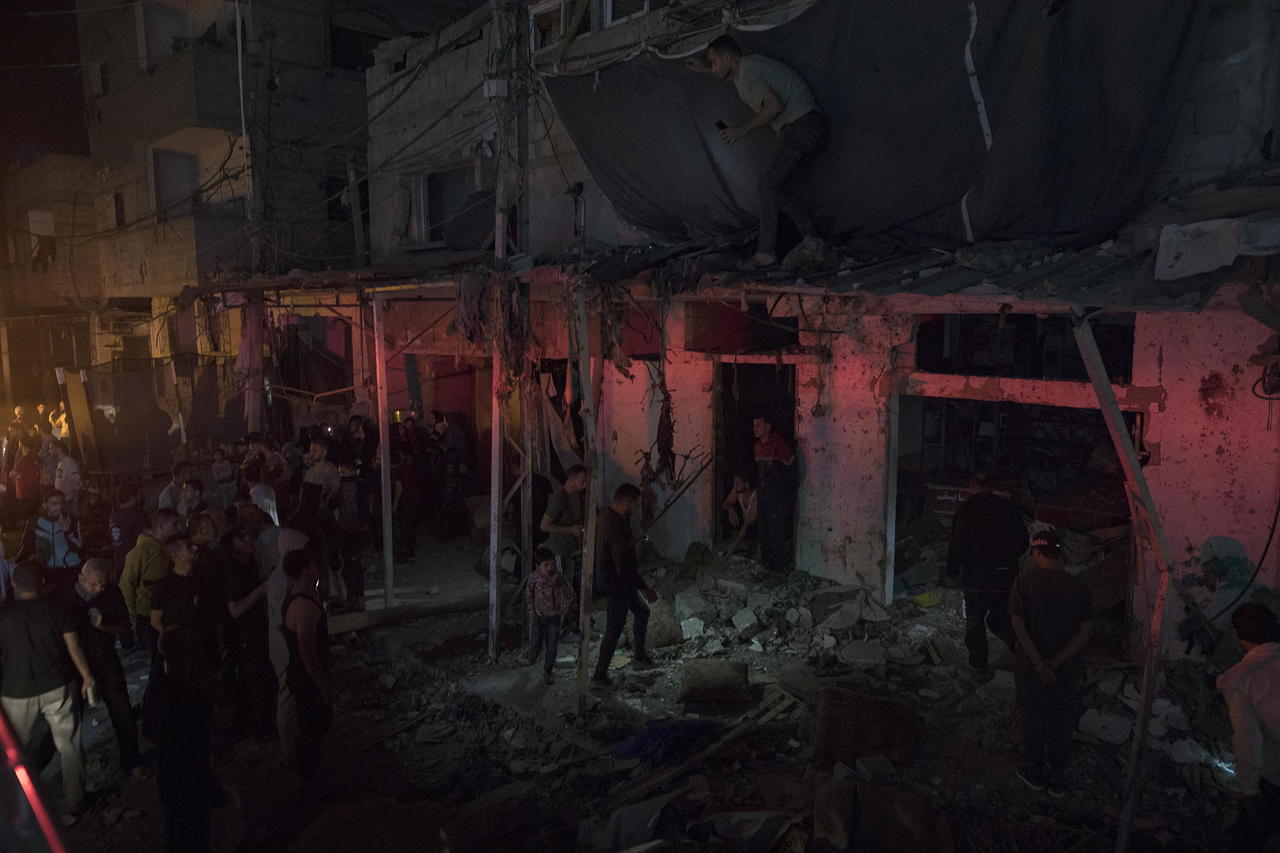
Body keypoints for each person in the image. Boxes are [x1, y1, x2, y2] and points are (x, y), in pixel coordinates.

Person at [686, 34, 826, 270]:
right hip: (812, 126)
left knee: (767, 185)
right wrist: (704, 69)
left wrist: (741, 130)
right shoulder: (746, 69)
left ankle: (766, 253)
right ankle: (813, 242)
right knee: (781, 189)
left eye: (714, 62)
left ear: (728, 57)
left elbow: (774, 105)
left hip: (799, 126)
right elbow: (728, 74)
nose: (714, 67)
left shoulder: (748, 71)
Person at [0, 561, 95, 823]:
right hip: (58, 686)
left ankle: (13, 806)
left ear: (13, 584)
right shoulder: (57, 610)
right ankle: (75, 802)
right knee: (70, 745)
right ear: (42, 583)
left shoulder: (4, 615)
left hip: (16, 692)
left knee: (12, 750)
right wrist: (87, 677)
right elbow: (74, 647)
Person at [1007, 530, 1093, 798]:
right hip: (1066, 669)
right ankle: (1057, 779)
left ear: (1036, 552)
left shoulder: (1024, 582)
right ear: (1059, 553)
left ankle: (1034, 773)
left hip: (1030, 667)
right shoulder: (1079, 586)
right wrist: (1056, 662)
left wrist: (1039, 663)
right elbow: (1085, 631)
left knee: (1033, 718)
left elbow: (1018, 626)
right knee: (1061, 721)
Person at [58, 559, 149, 780]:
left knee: (122, 712)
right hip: (74, 667)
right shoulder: (64, 597)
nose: (99, 588)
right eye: (93, 584)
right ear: (81, 579)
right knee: (71, 722)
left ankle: (132, 762)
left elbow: (125, 626)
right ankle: (72, 779)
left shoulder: (111, 593)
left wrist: (103, 624)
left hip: (106, 661)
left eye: (103, 584)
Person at [944, 472, 1027, 670]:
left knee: (975, 622)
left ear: (971, 487)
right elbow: (1023, 540)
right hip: (1005, 577)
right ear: (990, 487)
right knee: (1002, 619)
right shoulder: (1008, 508)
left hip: (977, 578)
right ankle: (1021, 653)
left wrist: (952, 572)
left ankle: (978, 664)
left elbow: (957, 544)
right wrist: (1008, 560)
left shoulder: (966, 509)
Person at [1217, 602, 1280, 852]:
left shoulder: (1241, 678)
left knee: (1248, 840)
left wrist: (1250, 790)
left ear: (1238, 636)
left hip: (1275, 780)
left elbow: (1247, 739)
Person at [154, 625, 215, 853]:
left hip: (165, 769)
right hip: (191, 773)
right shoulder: (196, 696)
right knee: (194, 827)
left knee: (171, 820)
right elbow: (201, 743)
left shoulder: (154, 692)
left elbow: (150, 731)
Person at [591, 484, 656, 687]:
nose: (636, 509)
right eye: (635, 505)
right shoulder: (615, 526)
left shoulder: (606, 516)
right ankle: (599, 677)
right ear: (626, 503)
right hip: (616, 584)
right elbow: (624, 565)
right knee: (613, 629)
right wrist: (644, 588)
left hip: (615, 581)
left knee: (642, 611)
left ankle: (639, 656)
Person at [280, 548, 335, 777]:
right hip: (306, 679)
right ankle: (307, 776)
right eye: (313, 565)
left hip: (303, 675)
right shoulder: (304, 608)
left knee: (314, 723)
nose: (318, 568)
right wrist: (324, 685)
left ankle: (309, 769)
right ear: (303, 571)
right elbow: (307, 653)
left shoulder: (301, 595)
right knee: (314, 724)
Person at [219, 526, 272, 740]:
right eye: (242, 538)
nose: (249, 540)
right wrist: (260, 590)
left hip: (256, 630)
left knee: (256, 678)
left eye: (248, 536)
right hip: (244, 635)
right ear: (232, 548)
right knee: (254, 679)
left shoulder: (250, 564)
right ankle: (259, 729)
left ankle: (252, 724)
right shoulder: (233, 571)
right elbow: (235, 609)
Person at [120, 508, 182, 662]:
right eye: (174, 525)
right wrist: (133, 615)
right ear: (160, 526)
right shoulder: (142, 551)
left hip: (165, 610)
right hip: (148, 614)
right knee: (158, 659)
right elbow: (126, 584)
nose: (178, 528)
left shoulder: (164, 547)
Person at [753, 415, 796, 573]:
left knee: (775, 534)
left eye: (758, 425)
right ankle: (767, 568)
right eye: (754, 425)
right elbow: (760, 473)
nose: (754, 428)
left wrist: (784, 493)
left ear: (768, 426)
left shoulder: (779, 444)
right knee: (763, 532)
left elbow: (792, 470)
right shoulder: (757, 446)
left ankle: (778, 571)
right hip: (763, 496)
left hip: (776, 498)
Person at [526, 547, 573, 685]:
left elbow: (568, 592)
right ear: (537, 566)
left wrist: (564, 609)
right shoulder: (533, 578)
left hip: (554, 618)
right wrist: (531, 610)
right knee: (536, 641)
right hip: (539, 617)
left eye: (552, 565)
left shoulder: (558, 577)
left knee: (552, 646)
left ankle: (547, 671)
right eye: (546, 565)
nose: (550, 568)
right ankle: (531, 658)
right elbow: (529, 593)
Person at [335, 456, 370, 608]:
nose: (341, 473)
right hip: (345, 529)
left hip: (357, 530)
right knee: (349, 563)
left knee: (355, 564)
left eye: (343, 471)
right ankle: (353, 597)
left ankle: (356, 597)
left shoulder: (359, 485)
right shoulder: (339, 485)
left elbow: (363, 504)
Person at [34, 490, 82, 576]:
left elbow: (78, 548)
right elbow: (26, 547)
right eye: (54, 504)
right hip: (47, 570)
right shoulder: (35, 523)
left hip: (70, 567)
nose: (59, 507)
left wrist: (67, 531)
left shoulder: (72, 520)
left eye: (62, 503)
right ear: (45, 505)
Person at [109, 483, 148, 582]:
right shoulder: (136, 516)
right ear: (132, 497)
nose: (140, 497)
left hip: (120, 564)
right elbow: (145, 541)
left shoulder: (113, 517)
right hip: (135, 566)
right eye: (138, 494)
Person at [390, 450, 421, 564]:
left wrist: (395, 505)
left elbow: (399, 488)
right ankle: (410, 551)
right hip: (414, 501)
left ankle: (408, 552)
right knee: (411, 527)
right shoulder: (407, 468)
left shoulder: (397, 471)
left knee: (406, 527)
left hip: (407, 502)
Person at [721, 470, 758, 554]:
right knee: (725, 515)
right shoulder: (737, 491)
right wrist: (731, 509)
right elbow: (726, 504)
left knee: (752, 528)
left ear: (747, 485)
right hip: (744, 523)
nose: (734, 486)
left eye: (737, 483)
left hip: (753, 527)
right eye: (734, 483)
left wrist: (733, 546)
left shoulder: (755, 496)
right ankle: (742, 541)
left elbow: (748, 524)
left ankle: (751, 544)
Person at [7, 437, 41, 523]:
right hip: (34, 489)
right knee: (33, 514)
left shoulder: (26, 458)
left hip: (25, 490)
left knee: (27, 515)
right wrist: (21, 475)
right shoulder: (34, 456)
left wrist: (19, 475)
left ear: (21, 444)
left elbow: (11, 474)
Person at [244, 462, 279, 527]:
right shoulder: (269, 489)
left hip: (265, 527)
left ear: (245, 479)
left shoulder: (253, 495)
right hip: (275, 526)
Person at [52, 441, 81, 517]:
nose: (50, 451)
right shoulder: (60, 463)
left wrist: (75, 503)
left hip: (68, 501)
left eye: (51, 448)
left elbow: (76, 485)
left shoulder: (70, 463)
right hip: (61, 501)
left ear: (58, 449)